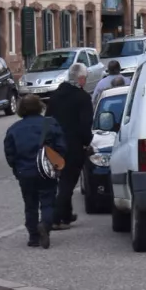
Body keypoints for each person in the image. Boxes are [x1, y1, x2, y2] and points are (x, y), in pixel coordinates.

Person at [3, 95, 66, 248]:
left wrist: (17, 169)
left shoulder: (14, 129)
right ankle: (45, 224)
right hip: (46, 170)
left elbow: (10, 153)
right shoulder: (50, 124)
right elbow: (62, 147)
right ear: (40, 107)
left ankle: (33, 237)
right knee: (48, 201)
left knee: (30, 205)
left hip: (25, 172)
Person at [44, 61, 93, 227]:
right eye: (84, 78)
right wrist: (87, 142)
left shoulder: (55, 96)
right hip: (73, 146)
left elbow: (47, 120)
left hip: (55, 146)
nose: (85, 81)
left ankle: (65, 215)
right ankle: (55, 218)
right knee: (68, 183)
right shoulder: (83, 98)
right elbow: (85, 125)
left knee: (62, 180)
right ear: (79, 79)